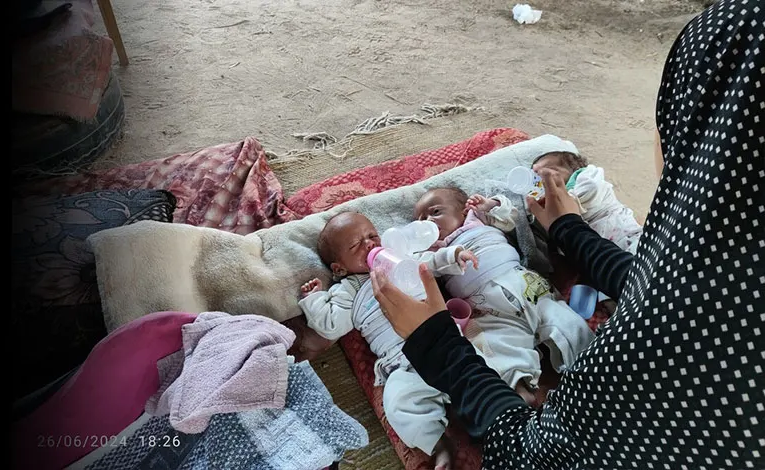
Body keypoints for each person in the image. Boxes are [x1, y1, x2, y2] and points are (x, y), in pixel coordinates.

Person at [370, 1, 764, 467]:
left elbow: (533, 459)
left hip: (519, 308)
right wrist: (569, 230)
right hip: (496, 308)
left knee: (558, 329)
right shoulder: (721, 283)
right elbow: (658, 283)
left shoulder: (671, 347)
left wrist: (435, 342)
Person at [298, 211, 474, 469]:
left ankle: (497, 398)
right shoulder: (349, 290)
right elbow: (330, 324)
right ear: (339, 268)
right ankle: (438, 443)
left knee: (482, 359)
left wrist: (454, 255)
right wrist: (315, 299)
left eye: (372, 236)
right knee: (397, 402)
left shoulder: (398, 256)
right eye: (356, 245)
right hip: (399, 361)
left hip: (443, 341)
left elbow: (429, 263)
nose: (369, 244)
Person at [412, 187, 595, 407]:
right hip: (488, 309)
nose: (427, 222)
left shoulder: (477, 218)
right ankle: (518, 389)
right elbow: (423, 267)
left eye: (435, 212)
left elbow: (511, 218)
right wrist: (451, 253)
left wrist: (491, 205)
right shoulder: (433, 250)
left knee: (567, 323)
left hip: (527, 288)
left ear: (463, 210)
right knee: (492, 348)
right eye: (420, 220)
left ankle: (591, 367)